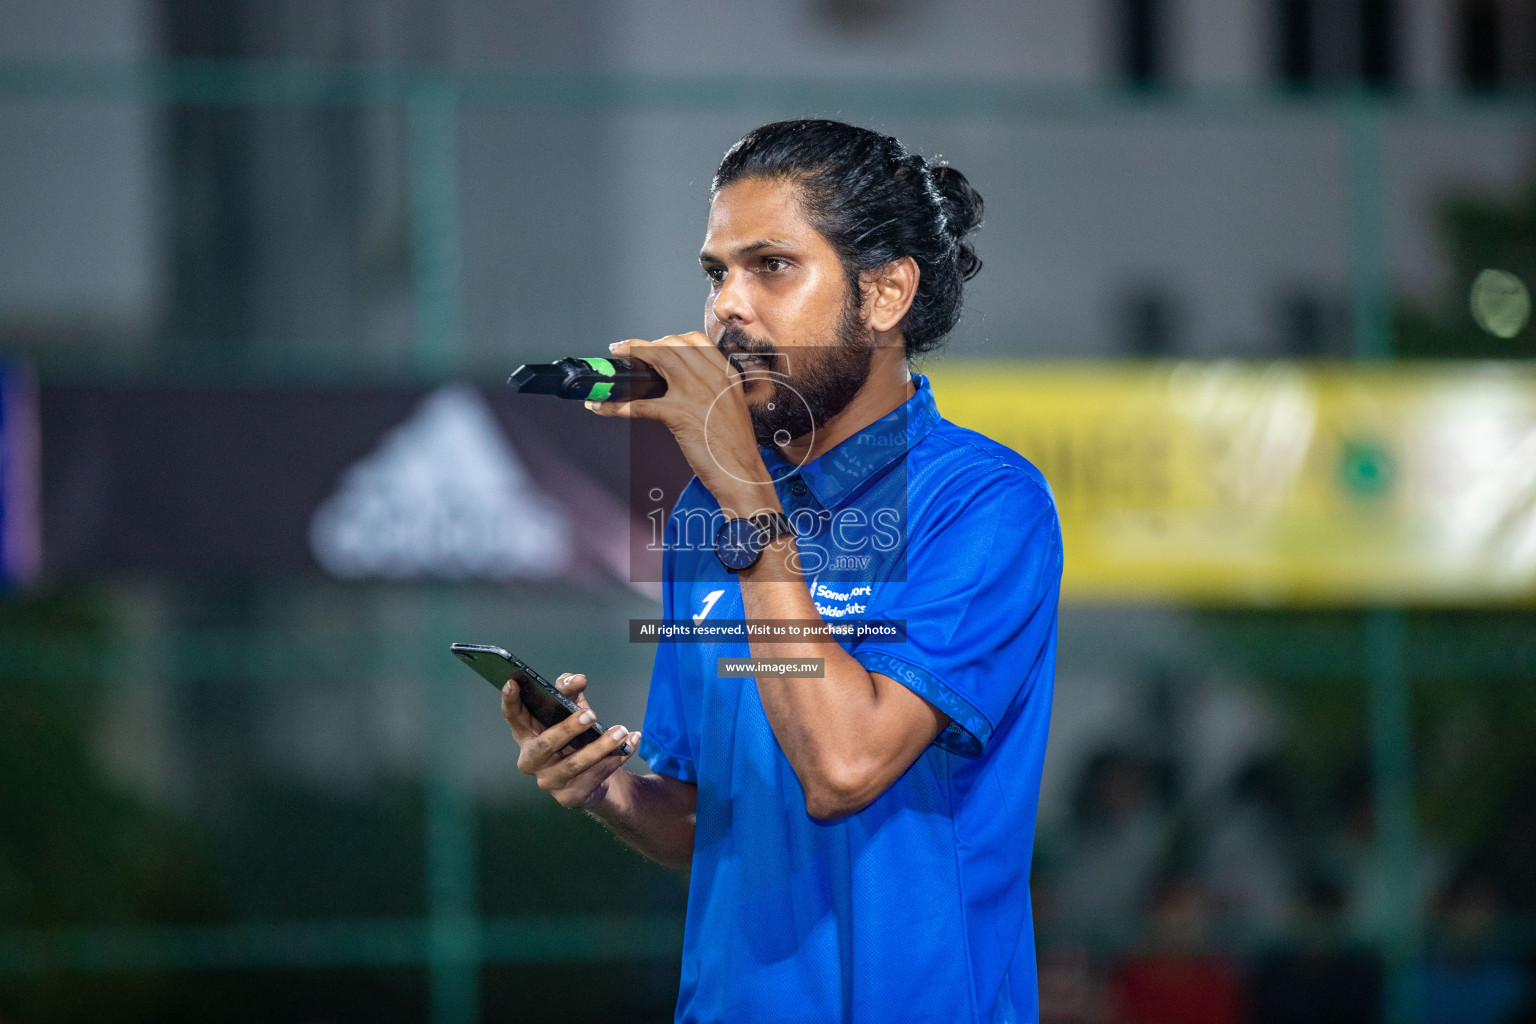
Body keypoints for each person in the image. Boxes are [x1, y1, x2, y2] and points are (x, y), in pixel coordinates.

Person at [501, 119, 1062, 1023]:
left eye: (771, 266)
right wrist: (602, 784)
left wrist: (739, 487)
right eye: (717, 272)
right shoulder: (707, 513)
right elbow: (705, 820)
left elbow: (843, 768)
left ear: (884, 294)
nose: (728, 305)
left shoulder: (985, 503)